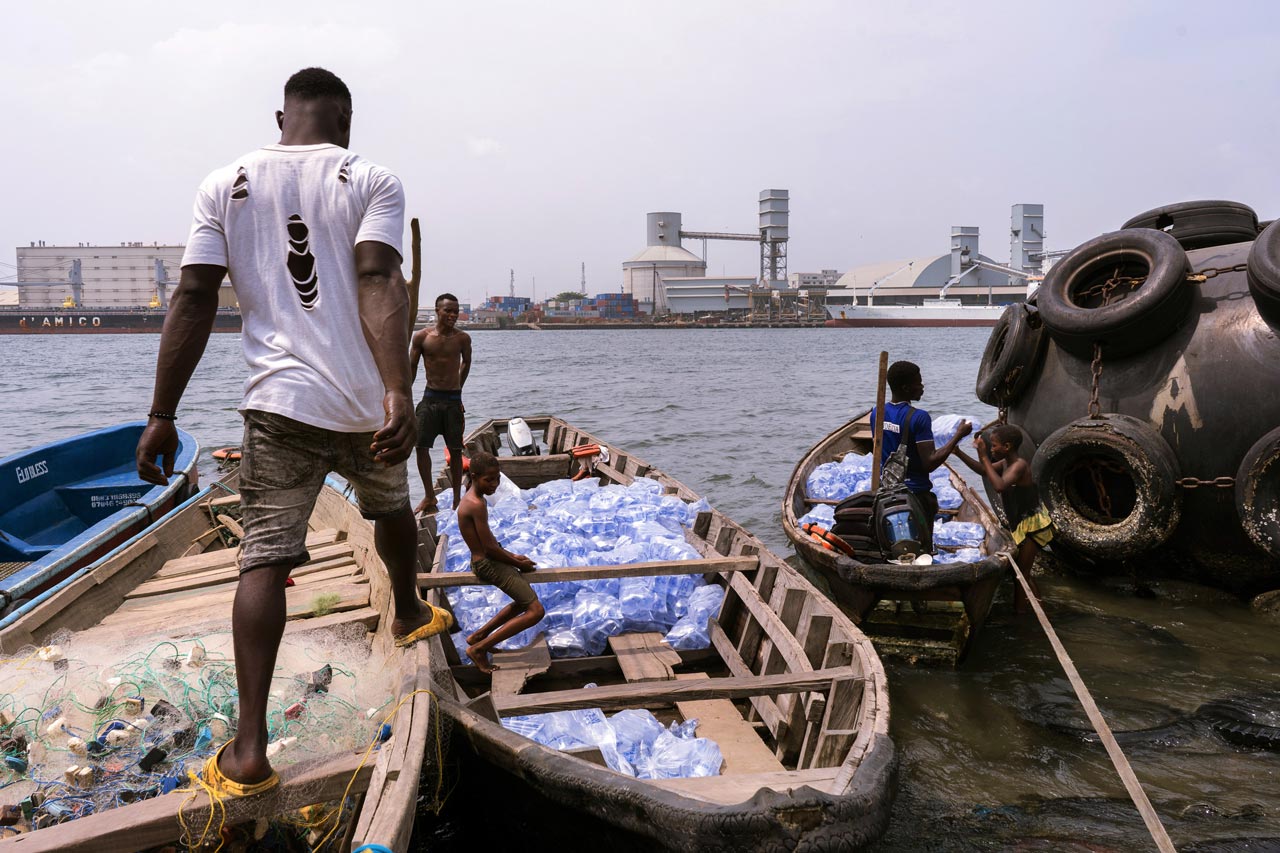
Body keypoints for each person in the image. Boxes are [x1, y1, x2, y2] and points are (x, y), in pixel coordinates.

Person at [134, 67, 446, 794]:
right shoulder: (371, 178)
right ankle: (406, 612)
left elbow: (193, 297)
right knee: (391, 507)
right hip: (367, 400)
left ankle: (248, 753)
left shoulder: (224, 183)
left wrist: (161, 413)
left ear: (283, 116)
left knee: (264, 561)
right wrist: (399, 388)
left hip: (277, 404)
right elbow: (379, 280)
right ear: (345, 122)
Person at [457, 452, 544, 674]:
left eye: (497, 479)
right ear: (474, 476)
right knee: (535, 611)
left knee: (523, 601)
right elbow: (489, 548)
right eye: (489, 480)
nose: (495, 484)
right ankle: (479, 649)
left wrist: (514, 558)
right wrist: (520, 565)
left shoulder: (474, 497)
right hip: (487, 563)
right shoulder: (475, 504)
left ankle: (478, 636)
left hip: (487, 560)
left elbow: (490, 543)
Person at [870, 360, 972, 548]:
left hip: (887, 491)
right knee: (922, 547)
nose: (922, 387)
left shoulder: (877, 412)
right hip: (915, 494)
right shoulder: (919, 417)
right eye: (919, 383)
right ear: (906, 388)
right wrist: (957, 436)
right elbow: (929, 463)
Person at [953, 424, 1050, 612]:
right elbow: (984, 470)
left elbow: (999, 486)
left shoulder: (1019, 465)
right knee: (1023, 572)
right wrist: (958, 454)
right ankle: (1035, 606)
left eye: (994, 446)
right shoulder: (1006, 462)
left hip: (1033, 526)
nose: (991, 449)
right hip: (1022, 524)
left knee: (1021, 574)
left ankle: (1021, 613)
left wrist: (983, 456)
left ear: (1007, 447)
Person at [409, 293, 471, 514]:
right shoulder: (422, 337)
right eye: (448, 311)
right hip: (430, 398)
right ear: (437, 311)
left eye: (456, 311)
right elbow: (412, 367)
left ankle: (457, 499)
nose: (453, 315)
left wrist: (459, 387)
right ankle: (429, 497)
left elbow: (466, 363)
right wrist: (404, 395)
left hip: (452, 401)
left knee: (455, 450)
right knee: (421, 447)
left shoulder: (462, 338)